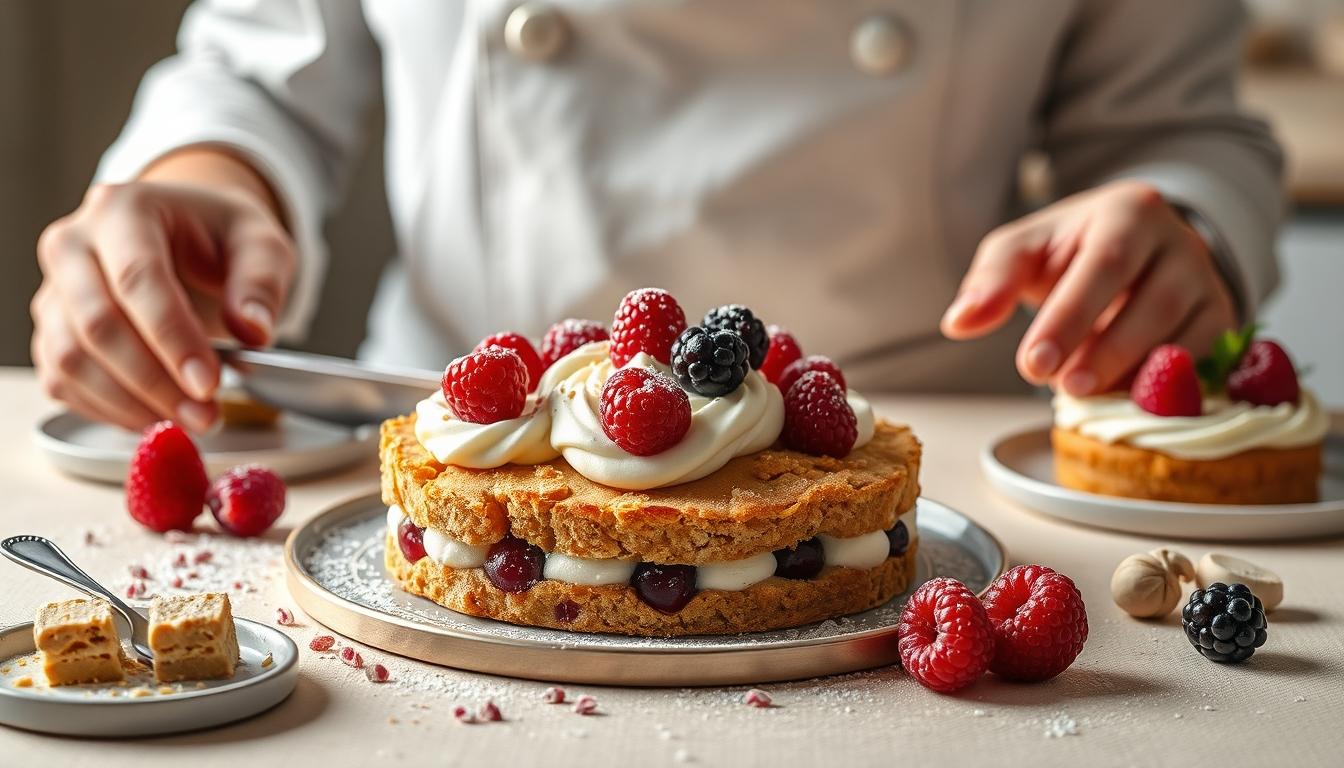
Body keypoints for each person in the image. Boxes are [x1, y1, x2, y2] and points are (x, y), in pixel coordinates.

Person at [31, 1, 1282, 433]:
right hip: (474, 431)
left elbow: (1179, 127)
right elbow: (261, 67)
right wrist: (207, 177)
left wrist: (1174, 225)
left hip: (908, 453)